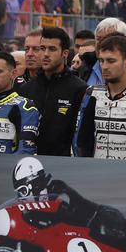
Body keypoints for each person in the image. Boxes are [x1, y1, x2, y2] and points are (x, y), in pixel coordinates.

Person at [73, 34, 126, 160]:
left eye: (111, 61)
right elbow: (79, 142)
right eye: (101, 61)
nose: (105, 66)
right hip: (95, 174)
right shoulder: (92, 94)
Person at [20, 27, 86, 156]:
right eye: (43, 48)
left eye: (52, 49)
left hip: (63, 165)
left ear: (65, 53)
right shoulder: (26, 89)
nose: (45, 54)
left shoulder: (79, 89)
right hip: (30, 162)